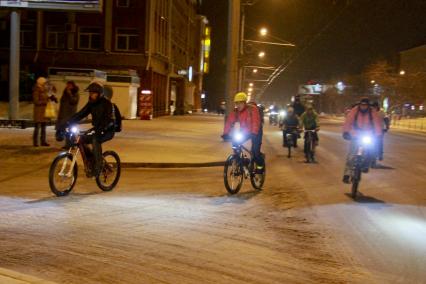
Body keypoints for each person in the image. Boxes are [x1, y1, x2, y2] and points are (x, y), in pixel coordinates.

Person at [66, 82, 115, 177]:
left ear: (99, 93)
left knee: (95, 139)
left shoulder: (107, 104)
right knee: (81, 139)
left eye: (93, 93)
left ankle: (98, 167)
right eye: (90, 93)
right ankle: (92, 160)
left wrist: (101, 129)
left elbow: (107, 120)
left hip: (108, 130)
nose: (91, 95)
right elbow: (81, 113)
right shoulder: (91, 103)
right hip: (97, 129)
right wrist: (69, 122)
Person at [342, 97, 382, 184]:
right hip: (355, 134)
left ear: (368, 106)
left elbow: (377, 124)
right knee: (351, 155)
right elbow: (348, 121)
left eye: (365, 105)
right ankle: (347, 174)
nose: (363, 107)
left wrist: (378, 134)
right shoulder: (354, 111)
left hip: (368, 134)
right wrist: (346, 132)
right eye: (362, 105)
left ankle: (365, 165)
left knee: (371, 151)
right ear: (360, 105)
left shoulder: (373, 112)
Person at [222, 92, 265, 173]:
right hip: (245, 131)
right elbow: (229, 122)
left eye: (240, 103)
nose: (238, 105)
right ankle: (242, 161)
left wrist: (254, 132)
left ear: (245, 102)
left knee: (255, 152)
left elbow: (256, 121)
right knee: (235, 142)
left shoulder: (252, 109)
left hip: (257, 131)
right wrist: (225, 133)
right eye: (236, 103)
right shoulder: (236, 111)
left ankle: (260, 166)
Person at [32, 77, 57, 147]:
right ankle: (35, 142)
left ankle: (43, 141)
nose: (45, 84)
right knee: (37, 127)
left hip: (44, 111)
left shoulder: (44, 89)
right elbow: (36, 101)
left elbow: (53, 91)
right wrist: (45, 101)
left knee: (44, 127)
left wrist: (50, 98)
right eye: (44, 82)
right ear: (41, 82)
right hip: (38, 111)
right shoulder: (36, 89)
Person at [56, 81, 80, 148]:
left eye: (69, 85)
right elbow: (62, 103)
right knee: (66, 129)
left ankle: (73, 143)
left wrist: (70, 94)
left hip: (71, 114)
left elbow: (74, 101)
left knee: (71, 129)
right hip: (64, 114)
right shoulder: (65, 93)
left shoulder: (75, 93)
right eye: (67, 85)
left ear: (73, 86)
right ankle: (68, 144)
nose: (68, 86)